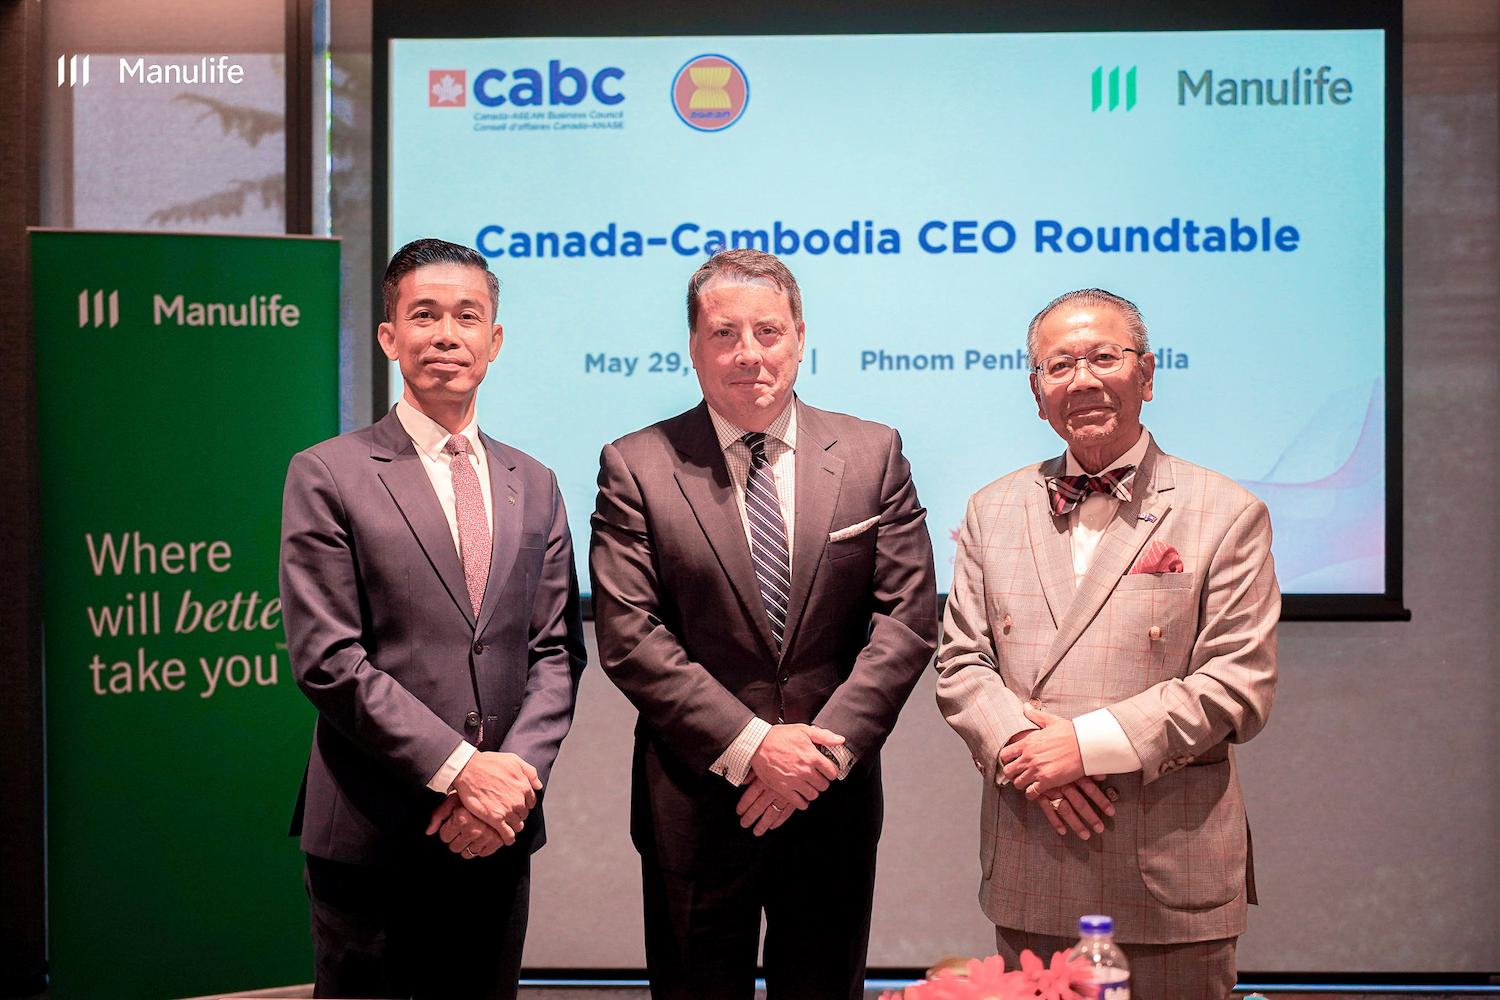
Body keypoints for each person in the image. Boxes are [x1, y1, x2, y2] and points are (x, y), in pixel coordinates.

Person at [590, 248, 939, 1000]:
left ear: (800, 338)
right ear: (693, 346)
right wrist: (754, 748)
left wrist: (816, 756)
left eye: (768, 332)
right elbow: (630, 635)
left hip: (830, 795)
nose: (749, 353)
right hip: (697, 800)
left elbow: (905, 622)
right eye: (725, 334)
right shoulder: (636, 464)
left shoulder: (873, 454)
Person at [935, 288, 1278, 999]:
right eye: (1060, 365)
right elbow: (962, 661)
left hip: (1168, 872)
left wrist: (1083, 747)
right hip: (1034, 858)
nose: (1083, 380)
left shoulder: (1226, 511)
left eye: (1104, 358)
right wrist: (1030, 755)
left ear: (1146, 375)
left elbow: (1237, 683)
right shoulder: (991, 509)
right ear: (1037, 393)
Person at [279, 238, 586, 999]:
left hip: (497, 831)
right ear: (390, 337)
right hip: (371, 834)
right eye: (424, 315)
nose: (447, 334)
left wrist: (510, 784)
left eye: (467, 316)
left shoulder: (535, 482)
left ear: (495, 339)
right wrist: (462, 771)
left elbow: (555, 652)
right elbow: (329, 659)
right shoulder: (328, 474)